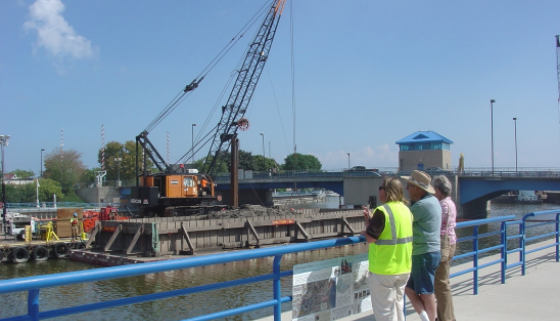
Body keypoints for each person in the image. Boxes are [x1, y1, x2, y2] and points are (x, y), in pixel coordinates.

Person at [361, 177, 413, 321]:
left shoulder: (382, 211)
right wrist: (370, 221)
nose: (379, 191)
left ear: (387, 191)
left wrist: (366, 231)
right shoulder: (406, 210)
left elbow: (371, 238)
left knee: (385, 313)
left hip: (384, 270)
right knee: (398, 308)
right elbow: (392, 231)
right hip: (403, 268)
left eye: (380, 188)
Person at [401, 170, 442, 321]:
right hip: (432, 251)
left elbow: (403, 220)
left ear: (418, 188)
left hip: (422, 253)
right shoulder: (433, 201)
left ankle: (432, 319)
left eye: (409, 186)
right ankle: (426, 317)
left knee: (426, 293)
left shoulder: (421, 206)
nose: (407, 189)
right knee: (409, 289)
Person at [432, 175, 457, 321]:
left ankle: (445, 318)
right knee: (444, 283)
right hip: (450, 242)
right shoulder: (451, 203)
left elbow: (435, 225)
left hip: (443, 245)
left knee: (441, 286)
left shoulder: (442, 205)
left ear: (438, 190)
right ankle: (447, 316)